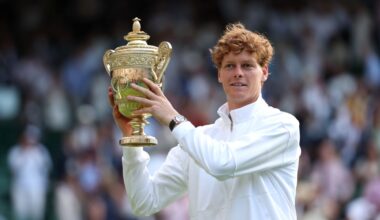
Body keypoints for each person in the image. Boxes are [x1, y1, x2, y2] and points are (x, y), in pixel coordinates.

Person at [109, 23, 301, 220]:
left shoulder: (283, 126)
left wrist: (173, 118)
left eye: (247, 65)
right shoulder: (199, 140)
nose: (238, 72)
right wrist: (132, 139)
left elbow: (223, 164)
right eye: (229, 66)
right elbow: (144, 202)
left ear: (265, 72)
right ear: (219, 74)